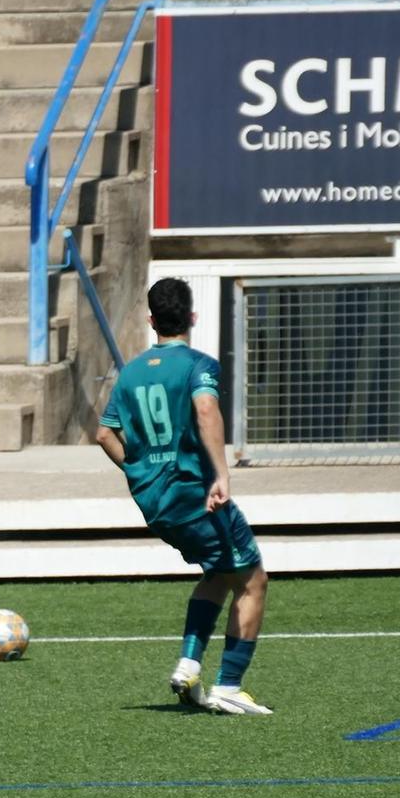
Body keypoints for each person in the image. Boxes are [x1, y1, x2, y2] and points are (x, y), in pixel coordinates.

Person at [94, 277, 269, 715]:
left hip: (156, 503)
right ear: (192, 317)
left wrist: (138, 469)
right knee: (253, 581)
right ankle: (229, 685)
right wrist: (222, 476)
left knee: (217, 573)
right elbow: (206, 409)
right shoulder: (198, 365)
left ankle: (189, 666)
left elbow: (104, 434)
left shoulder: (131, 372)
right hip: (197, 495)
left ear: (151, 321)